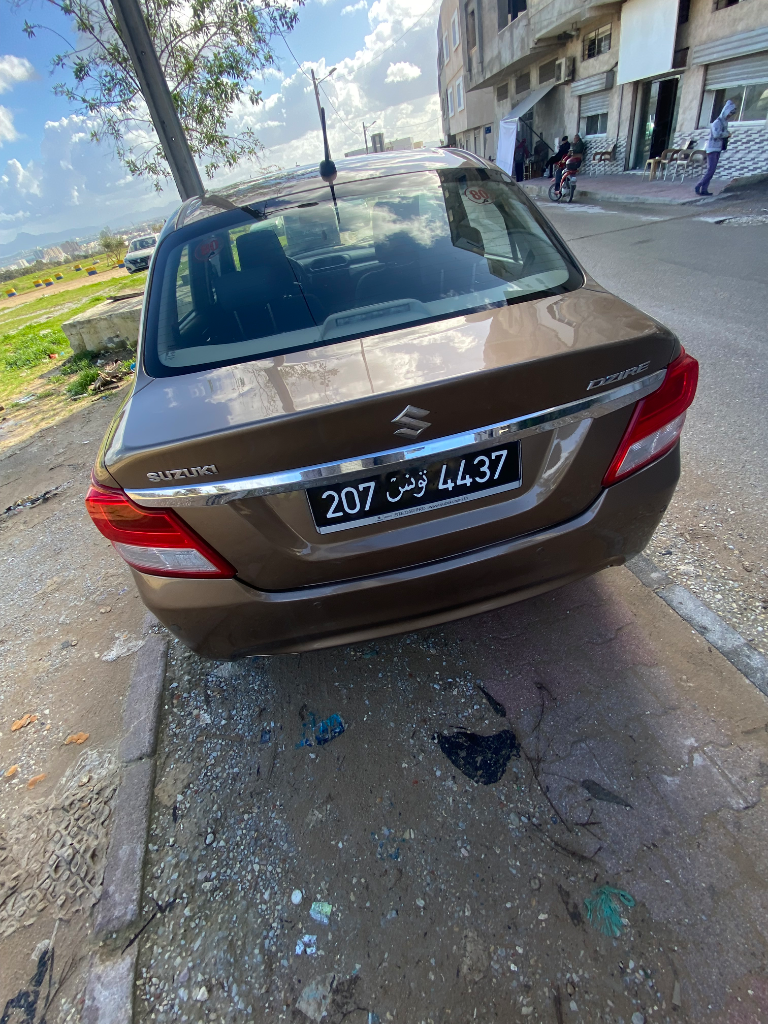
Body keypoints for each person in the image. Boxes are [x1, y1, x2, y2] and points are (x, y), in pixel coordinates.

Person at [695, 99, 736, 196]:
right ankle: (699, 185)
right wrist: (726, 134)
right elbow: (716, 134)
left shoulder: (724, 122)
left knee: (711, 170)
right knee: (711, 170)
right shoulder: (717, 122)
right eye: (729, 113)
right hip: (712, 148)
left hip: (717, 148)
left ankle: (704, 189)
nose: (729, 116)